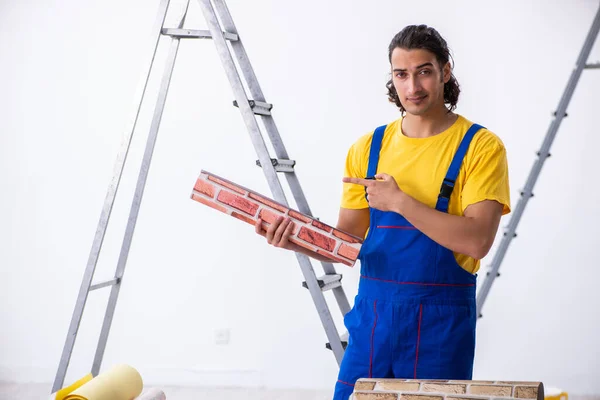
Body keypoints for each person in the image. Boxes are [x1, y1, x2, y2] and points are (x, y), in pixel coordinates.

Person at [255, 24, 511, 400]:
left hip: (440, 328)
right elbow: (346, 243)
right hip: (373, 323)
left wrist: (400, 202)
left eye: (424, 71)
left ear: (445, 70)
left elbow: (476, 242)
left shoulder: (480, 147)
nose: (413, 87)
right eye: (401, 74)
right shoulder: (368, 148)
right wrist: (293, 239)